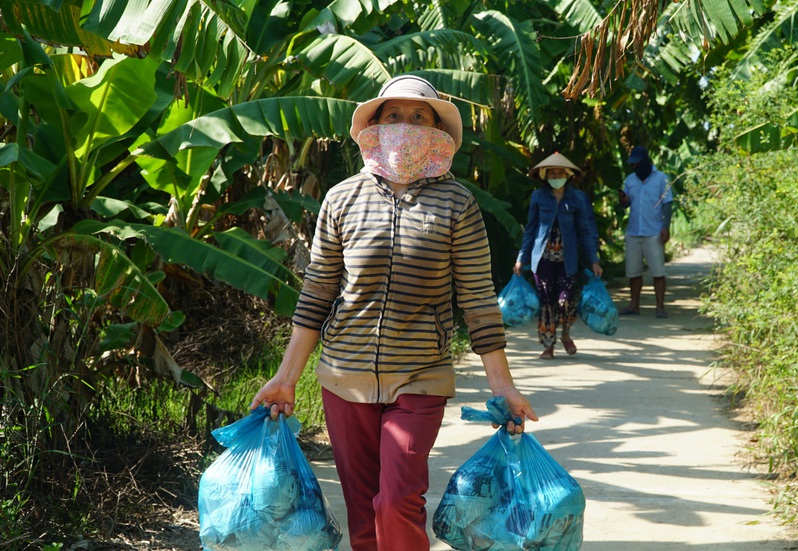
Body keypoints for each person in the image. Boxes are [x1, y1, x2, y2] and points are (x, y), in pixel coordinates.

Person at [250, 75, 538, 551]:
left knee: (397, 500)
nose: (405, 124)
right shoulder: (342, 199)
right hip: (344, 375)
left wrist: (503, 386)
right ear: (375, 126)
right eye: (393, 115)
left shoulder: (457, 203)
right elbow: (318, 290)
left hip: (421, 374)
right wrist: (286, 377)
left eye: (419, 117)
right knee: (363, 514)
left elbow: (478, 298)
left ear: (436, 132)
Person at [514, 152, 602, 360]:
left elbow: (584, 231)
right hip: (542, 260)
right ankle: (548, 346)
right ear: (545, 176)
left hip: (568, 260)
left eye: (559, 172)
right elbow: (531, 230)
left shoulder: (577, 198)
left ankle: (565, 335)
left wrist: (594, 260)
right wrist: (521, 258)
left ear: (568, 175)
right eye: (552, 173)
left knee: (565, 301)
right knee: (547, 303)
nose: (556, 176)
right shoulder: (539, 197)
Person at [618, 145, 673, 318]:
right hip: (634, 231)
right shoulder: (630, 180)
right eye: (632, 164)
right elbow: (625, 204)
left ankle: (660, 307)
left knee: (658, 271)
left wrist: (666, 227)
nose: (634, 167)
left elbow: (667, 204)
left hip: (654, 232)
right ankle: (634, 305)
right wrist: (624, 200)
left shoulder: (661, 179)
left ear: (645, 162)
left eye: (637, 163)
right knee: (633, 272)